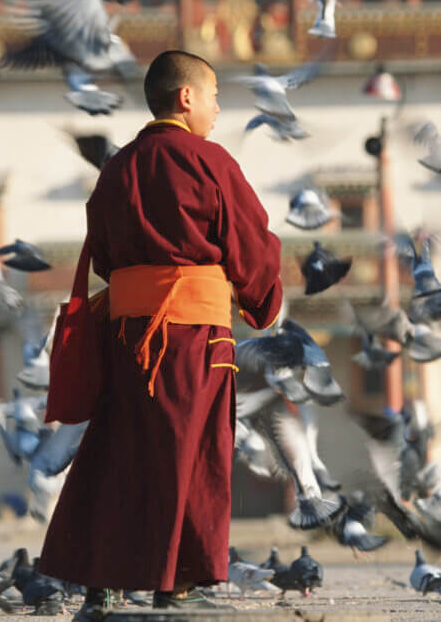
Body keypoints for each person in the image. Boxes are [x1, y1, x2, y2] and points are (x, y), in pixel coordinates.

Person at [38, 50, 283, 620]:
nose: (220, 108)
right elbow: (250, 243)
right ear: (187, 97)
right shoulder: (209, 161)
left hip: (127, 333)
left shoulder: (117, 168)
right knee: (190, 450)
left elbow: (101, 253)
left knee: (121, 451)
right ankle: (176, 585)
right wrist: (260, 299)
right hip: (193, 334)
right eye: (216, 95)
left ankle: (102, 584)